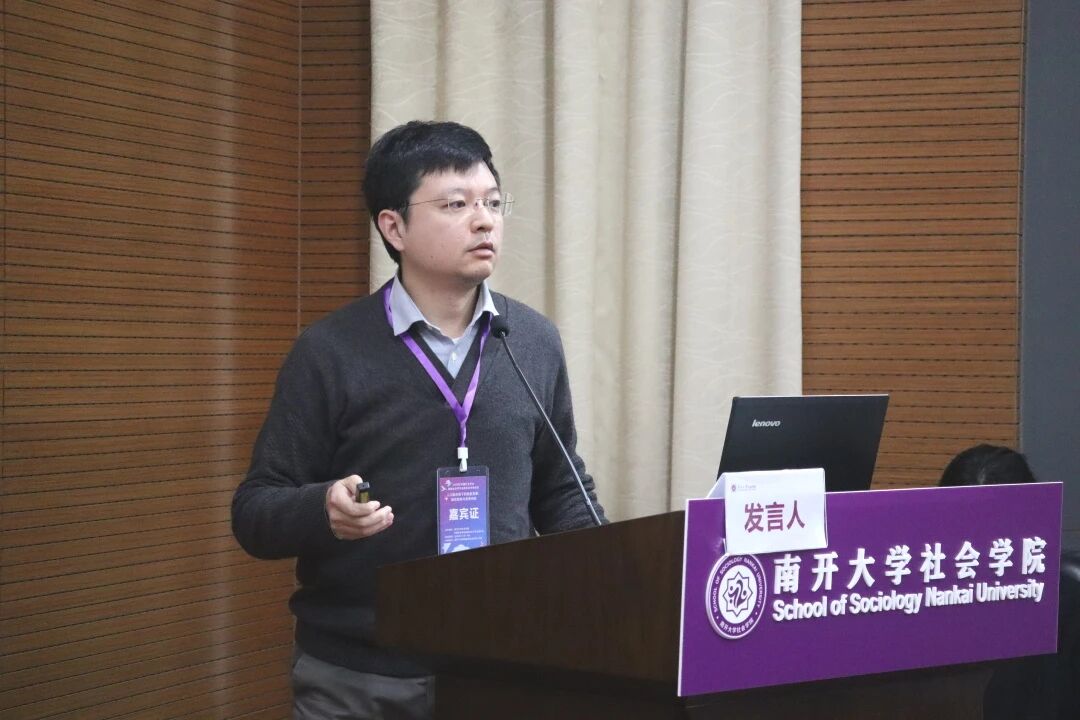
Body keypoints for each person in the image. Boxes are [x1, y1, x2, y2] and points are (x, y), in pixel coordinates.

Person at [231, 120, 606, 719]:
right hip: (360, 674)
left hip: (501, 667)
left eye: (492, 203)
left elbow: (561, 489)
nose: (484, 221)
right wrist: (323, 509)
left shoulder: (531, 340)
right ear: (394, 227)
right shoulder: (330, 351)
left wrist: (621, 572)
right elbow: (255, 512)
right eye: (456, 204)